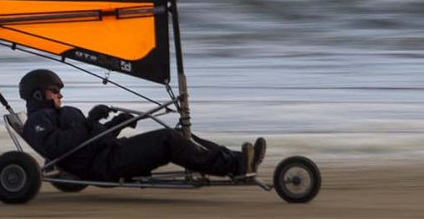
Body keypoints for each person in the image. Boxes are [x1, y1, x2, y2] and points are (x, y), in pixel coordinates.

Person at [18, 69, 267, 182]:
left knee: (180, 133)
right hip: (105, 164)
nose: (60, 95)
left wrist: (116, 123)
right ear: (38, 94)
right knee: (168, 140)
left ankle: (237, 159)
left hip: (110, 151)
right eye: (54, 91)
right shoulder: (37, 122)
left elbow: (89, 139)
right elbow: (62, 147)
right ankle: (234, 167)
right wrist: (91, 121)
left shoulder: (63, 113)